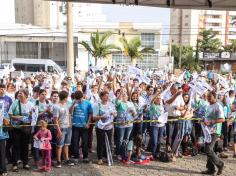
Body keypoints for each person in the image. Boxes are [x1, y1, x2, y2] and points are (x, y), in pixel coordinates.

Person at [8, 88, 34, 172]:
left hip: (26, 128)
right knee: (16, 146)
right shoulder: (15, 103)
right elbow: (10, 115)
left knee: (25, 146)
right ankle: (15, 164)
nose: (19, 95)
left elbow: (33, 116)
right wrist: (20, 117)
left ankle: (25, 163)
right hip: (16, 128)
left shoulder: (30, 104)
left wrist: (30, 115)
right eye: (19, 93)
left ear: (26, 95)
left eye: (21, 93)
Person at [201, 91, 225, 175]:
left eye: (209, 97)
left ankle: (220, 164)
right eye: (207, 97)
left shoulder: (218, 106)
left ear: (214, 97)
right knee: (208, 150)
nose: (208, 99)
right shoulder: (209, 105)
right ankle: (211, 169)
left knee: (208, 149)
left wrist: (211, 122)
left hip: (215, 131)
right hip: (208, 131)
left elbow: (222, 119)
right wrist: (203, 120)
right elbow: (208, 117)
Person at [93, 91, 116, 165]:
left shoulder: (111, 104)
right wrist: (102, 117)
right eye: (105, 96)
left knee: (109, 142)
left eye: (108, 96)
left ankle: (107, 157)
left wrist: (114, 114)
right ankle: (100, 158)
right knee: (100, 142)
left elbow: (115, 113)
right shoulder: (97, 105)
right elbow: (94, 117)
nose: (107, 97)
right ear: (101, 97)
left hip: (109, 126)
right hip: (100, 127)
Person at [70, 90, 93, 163]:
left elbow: (90, 113)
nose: (79, 100)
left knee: (85, 142)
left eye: (80, 99)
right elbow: (69, 112)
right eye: (77, 99)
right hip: (75, 126)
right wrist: (73, 104)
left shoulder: (88, 103)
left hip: (84, 126)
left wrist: (88, 123)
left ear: (82, 96)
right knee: (75, 142)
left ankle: (85, 157)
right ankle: (76, 157)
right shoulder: (74, 102)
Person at [53, 90, 74, 168]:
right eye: (67, 97)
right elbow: (55, 119)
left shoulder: (66, 104)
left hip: (68, 127)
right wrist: (58, 131)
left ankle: (67, 159)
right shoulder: (56, 106)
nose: (67, 99)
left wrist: (70, 123)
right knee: (59, 145)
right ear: (64, 98)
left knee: (66, 144)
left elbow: (69, 114)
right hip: (61, 128)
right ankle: (58, 161)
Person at [115, 90, 136, 160]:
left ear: (127, 96)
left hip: (129, 124)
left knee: (126, 139)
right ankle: (118, 153)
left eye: (125, 95)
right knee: (120, 139)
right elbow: (116, 101)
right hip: (121, 125)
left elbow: (135, 114)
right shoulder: (119, 103)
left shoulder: (131, 103)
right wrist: (120, 94)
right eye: (123, 95)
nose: (124, 96)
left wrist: (133, 112)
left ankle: (124, 153)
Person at [0, 83, 12, 176]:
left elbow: (9, 115)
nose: (2, 90)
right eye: (0, 88)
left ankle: (3, 169)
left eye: (3, 88)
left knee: (2, 150)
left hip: (2, 130)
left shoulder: (9, 99)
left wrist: (5, 119)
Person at [149, 94, 165, 159]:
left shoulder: (162, 106)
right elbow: (151, 101)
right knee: (154, 141)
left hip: (161, 126)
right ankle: (153, 153)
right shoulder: (152, 106)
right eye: (157, 98)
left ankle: (157, 153)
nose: (158, 99)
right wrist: (157, 94)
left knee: (159, 141)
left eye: (159, 99)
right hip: (154, 125)